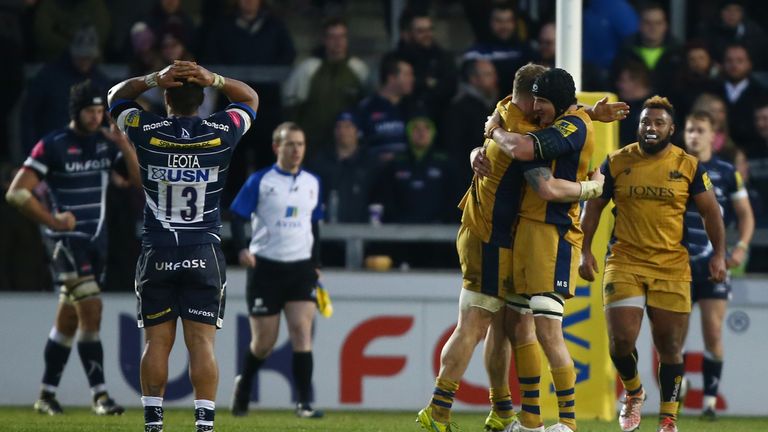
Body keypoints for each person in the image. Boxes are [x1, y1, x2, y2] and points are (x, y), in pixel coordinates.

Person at [416, 65, 621, 432]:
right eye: (537, 100)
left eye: (546, 101)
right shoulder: (518, 127)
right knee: (479, 325)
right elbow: (536, 161)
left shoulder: (507, 108)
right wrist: (593, 187)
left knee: (509, 326)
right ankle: (441, 409)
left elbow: (560, 121)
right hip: (493, 235)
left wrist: (484, 142)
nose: (538, 108)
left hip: (502, 234)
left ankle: (508, 413)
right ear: (527, 99)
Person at [107, 61, 259, 432]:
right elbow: (251, 97)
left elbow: (114, 96)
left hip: (158, 248)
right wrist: (218, 78)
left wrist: (151, 79)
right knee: (202, 343)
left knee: (156, 343)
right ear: (203, 99)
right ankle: (204, 425)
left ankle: (153, 424)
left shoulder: (146, 129)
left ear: (166, 100)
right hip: (203, 250)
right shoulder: (221, 130)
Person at [579, 96, 727, 432]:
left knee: (669, 346)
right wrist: (585, 250)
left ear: (671, 129)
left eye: (659, 123)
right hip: (625, 260)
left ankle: (668, 418)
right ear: (638, 125)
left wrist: (719, 254)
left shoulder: (688, 165)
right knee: (621, 342)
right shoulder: (617, 162)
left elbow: (711, 212)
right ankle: (634, 392)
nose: (651, 128)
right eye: (646, 122)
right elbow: (594, 208)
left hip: (672, 265)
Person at [6, 81, 140, 416]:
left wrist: (125, 146)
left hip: (97, 241)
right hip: (65, 243)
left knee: (69, 318)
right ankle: (101, 396)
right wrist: (51, 221)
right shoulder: (53, 145)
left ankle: (46, 395)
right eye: (90, 111)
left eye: (100, 112)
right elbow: (16, 192)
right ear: (75, 112)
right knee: (92, 308)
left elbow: (137, 182)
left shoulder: (106, 144)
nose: (96, 118)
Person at [229, 122, 324, 419]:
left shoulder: (312, 182)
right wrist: (242, 248)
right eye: (290, 144)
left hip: (300, 267)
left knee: (301, 332)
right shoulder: (261, 180)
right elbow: (236, 214)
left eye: (300, 144)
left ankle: (304, 402)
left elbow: (314, 225)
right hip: (265, 268)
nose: (296, 150)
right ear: (276, 148)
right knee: (264, 344)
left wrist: (316, 262)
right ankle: (243, 384)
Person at [681, 110, 754, 421]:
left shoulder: (727, 172)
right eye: (689, 130)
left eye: (700, 130)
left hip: (714, 263)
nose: (694, 136)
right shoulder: (673, 167)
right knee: (672, 337)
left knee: (712, 331)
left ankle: (709, 403)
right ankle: (678, 387)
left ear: (714, 136)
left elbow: (746, 215)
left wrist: (739, 247)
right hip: (677, 263)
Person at [282, 17, 369, 155]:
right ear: (324, 40)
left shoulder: (359, 70)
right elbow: (291, 107)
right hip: (314, 147)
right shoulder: (308, 68)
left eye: (342, 37)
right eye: (332, 37)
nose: (337, 42)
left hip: (349, 149)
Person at [355, 52, 415, 162]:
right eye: (407, 75)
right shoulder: (366, 107)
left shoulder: (412, 107)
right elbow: (358, 144)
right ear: (392, 78)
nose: (412, 79)